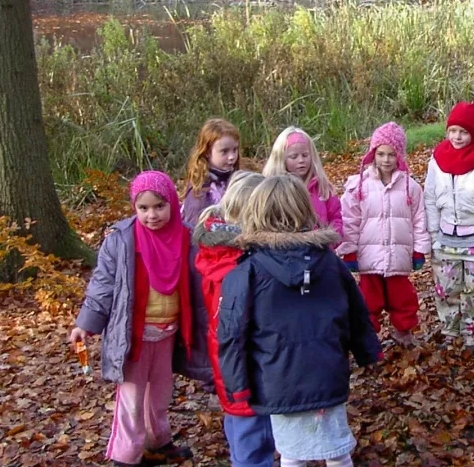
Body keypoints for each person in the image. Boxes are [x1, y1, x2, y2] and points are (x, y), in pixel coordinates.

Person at [217, 175, 381, 467]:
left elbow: (231, 334)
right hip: (327, 370)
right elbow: (357, 312)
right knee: (336, 448)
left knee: (291, 453)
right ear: (305, 211)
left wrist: (237, 386)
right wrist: (367, 352)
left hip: (278, 377)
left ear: (256, 213)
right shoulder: (330, 263)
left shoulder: (246, 272)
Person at [68, 171, 200, 467]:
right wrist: (86, 324)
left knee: (160, 394)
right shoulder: (123, 240)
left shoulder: (186, 236)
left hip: (169, 332)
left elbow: (200, 279)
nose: (152, 215)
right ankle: (126, 456)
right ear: (134, 208)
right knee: (131, 397)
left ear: (172, 204)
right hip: (133, 336)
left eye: (159, 207)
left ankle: (158, 442)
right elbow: (103, 284)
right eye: (143, 208)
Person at [192, 171, 275, 467]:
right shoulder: (237, 262)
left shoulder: (218, 252)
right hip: (246, 371)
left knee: (243, 434)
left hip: (233, 368)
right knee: (255, 440)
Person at [423, 101, 474, 352]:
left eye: (463, 131)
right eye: (453, 131)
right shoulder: (437, 161)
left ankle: (473, 332)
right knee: (446, 288)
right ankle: (450, 328)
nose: (457, 137)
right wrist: (434, 234)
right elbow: (430, 198)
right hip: (446, 236)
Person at [337, 122, 430, 346]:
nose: (386, 160)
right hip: (369, 255)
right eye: (381, 154)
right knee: (369, 298)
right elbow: (349, 221)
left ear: (399, 156)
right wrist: (349, 251)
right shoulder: (358, 187)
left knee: (403, 297)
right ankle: (368, 335)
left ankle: (404, 330)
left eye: (391, 154)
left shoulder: (410, 187)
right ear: (373, 154)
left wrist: (419, 249)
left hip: (399, 254)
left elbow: (419, 219)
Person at [262, 126, 343, 238]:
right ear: (282, 159)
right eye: (294, 157)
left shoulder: (323, 188)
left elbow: (336, 219)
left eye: (305, 155)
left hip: (320, 251)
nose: (301, 160)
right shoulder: (273, 191)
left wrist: (330, 241)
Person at [181, 118, 243, 226]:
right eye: (224, 151)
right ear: (207, 152)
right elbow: (194, 229)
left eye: (235, 149)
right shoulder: (200, 190)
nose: (232, 157)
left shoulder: (238, 178)